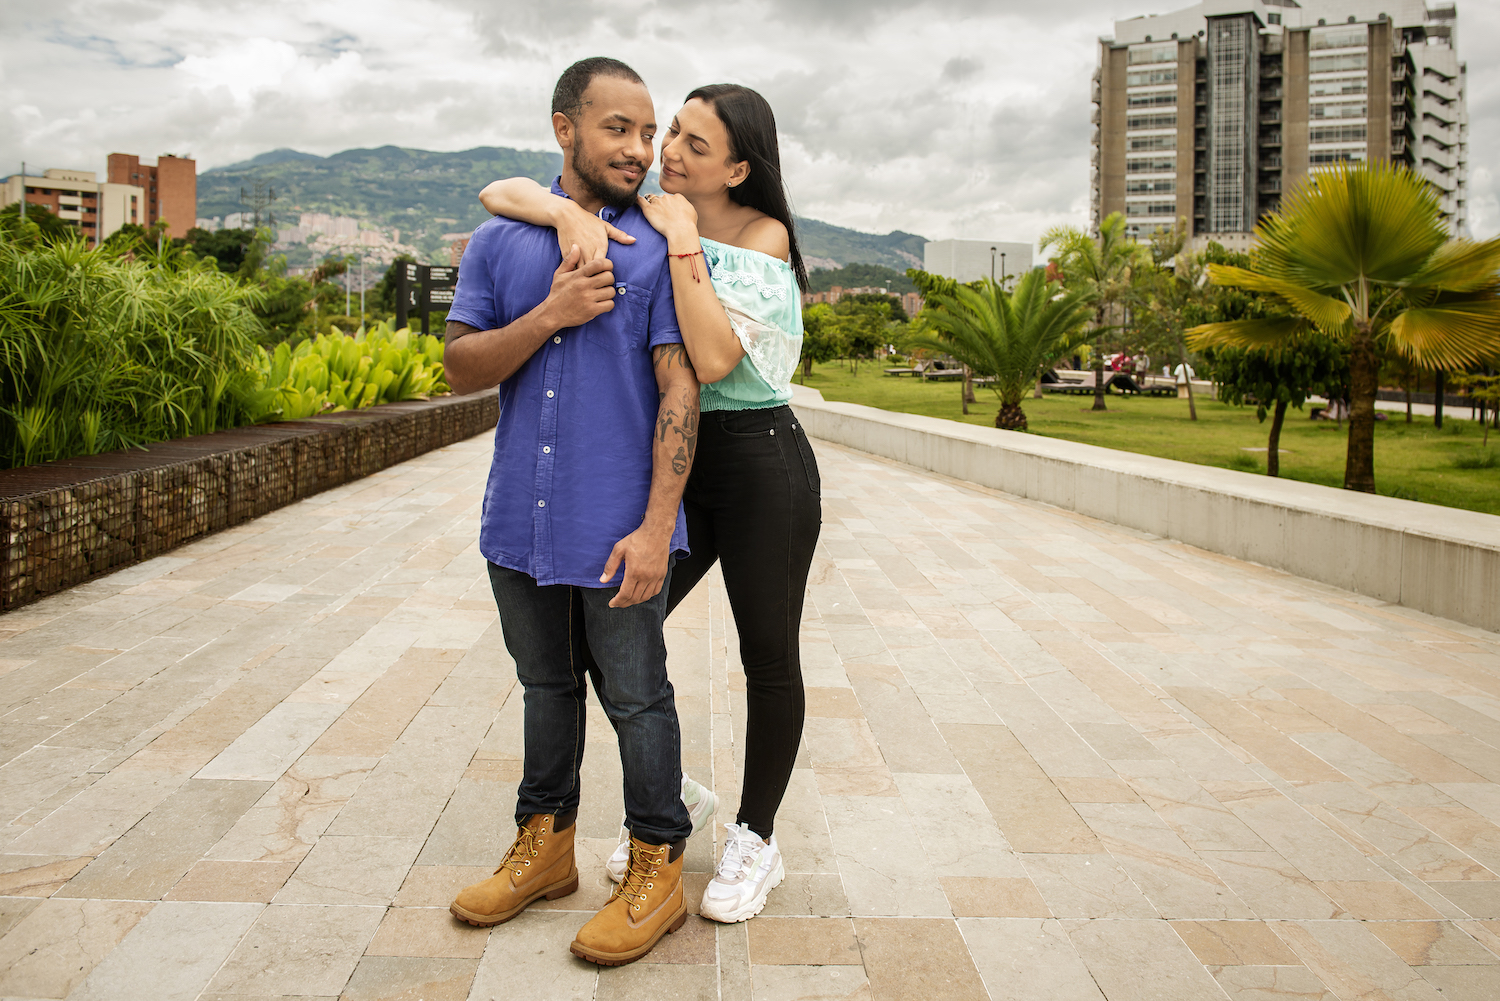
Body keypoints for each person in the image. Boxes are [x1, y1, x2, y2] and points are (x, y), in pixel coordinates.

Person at [480, 82, 822, 925]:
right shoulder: (650, 206)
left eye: (695, 145)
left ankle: (756, 835)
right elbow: (501, 191)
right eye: (673, 131)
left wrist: (683, 241)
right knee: (612, 638)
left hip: (758, 461)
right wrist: (563, 214)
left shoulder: (760, 234)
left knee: (768, 654)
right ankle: (674, 795)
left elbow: (713, 359)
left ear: (737, 168)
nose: (667, 150)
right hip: (678, 464)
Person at [442, 56, 701, 967]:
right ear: (566, 129)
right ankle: (546, 847)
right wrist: (550, 313)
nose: (638, 148)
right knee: (545, 687)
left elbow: (681, 391)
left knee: (637, 697)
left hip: (616, 529)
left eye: (647, 131)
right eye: (617, 128)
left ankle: (658, 864)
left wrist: (657, 527)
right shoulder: (500, 242)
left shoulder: (656, 247)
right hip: (519, 520)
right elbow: (460, 367)